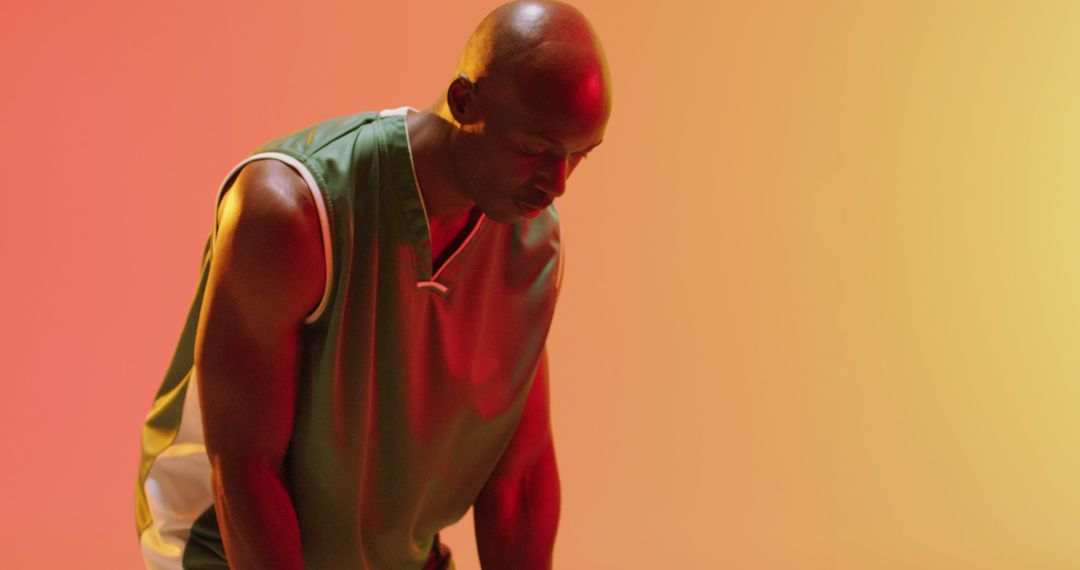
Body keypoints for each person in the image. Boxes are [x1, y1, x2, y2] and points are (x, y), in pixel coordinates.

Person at [133, 1, 612, 568]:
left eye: (577, 156)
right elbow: (243, 467)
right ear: (466, 103)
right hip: (222, 545)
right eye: (533, 149)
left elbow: (520, 483)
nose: (556, 185)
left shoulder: (533, 243)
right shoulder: (291, 210)